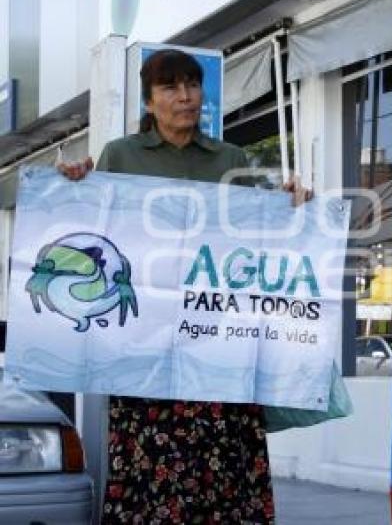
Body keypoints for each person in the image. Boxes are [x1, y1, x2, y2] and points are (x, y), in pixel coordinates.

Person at [59, 48, 309, 523]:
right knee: (148, 475)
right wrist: (73, 186)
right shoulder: (120, 154)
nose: (185, 96)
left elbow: (255, 244)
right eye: (170, 87)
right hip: (145, 352)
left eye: (193, 86)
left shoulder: (230, 158)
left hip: (216, 349)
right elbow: (96, 234)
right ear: (149, 103)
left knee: (226, 475)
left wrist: (293, 205)